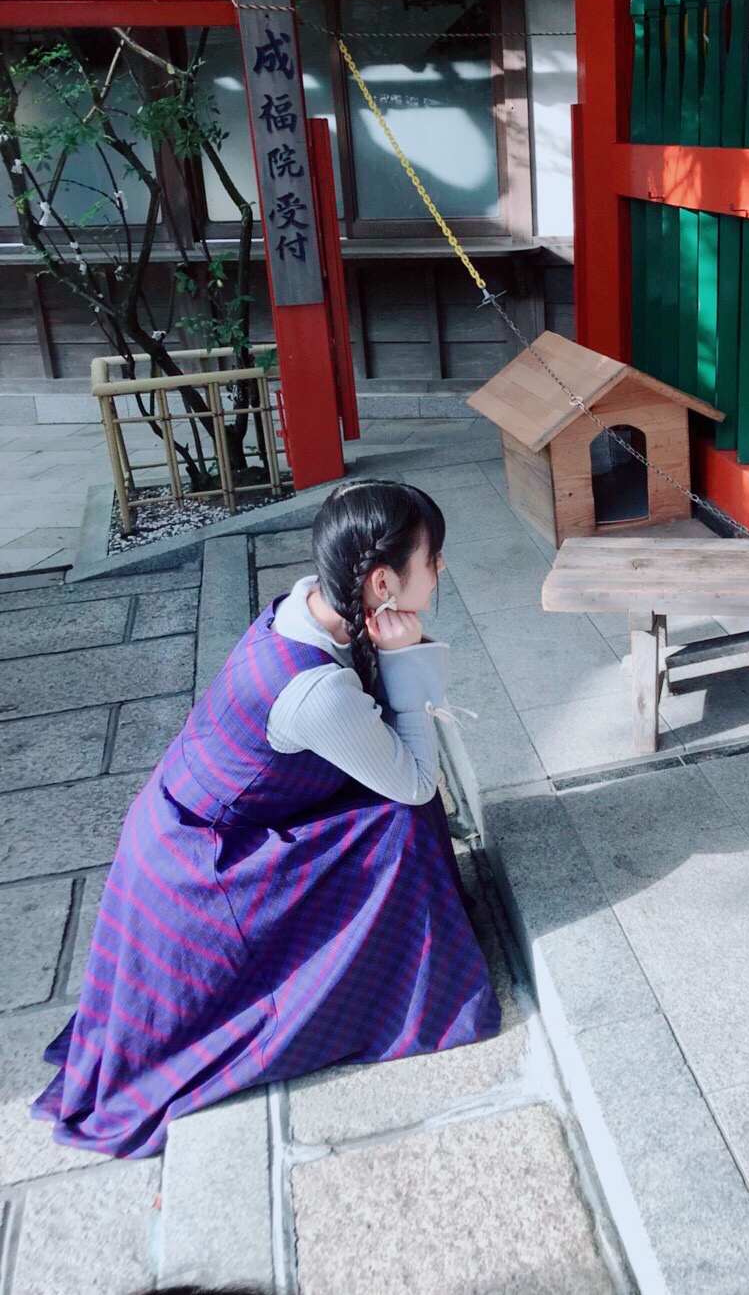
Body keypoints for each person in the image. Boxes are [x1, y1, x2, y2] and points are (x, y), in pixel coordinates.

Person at [32, 479, 500, 1159]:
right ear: (381, 582)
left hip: (194, 828)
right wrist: (405, 661)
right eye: (432, 558)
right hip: (203, 872)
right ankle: (398, 986)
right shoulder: (314, 689)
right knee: (400, 820)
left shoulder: (309, 602)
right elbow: (416, 780)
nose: (441, 568)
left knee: (396, 813)